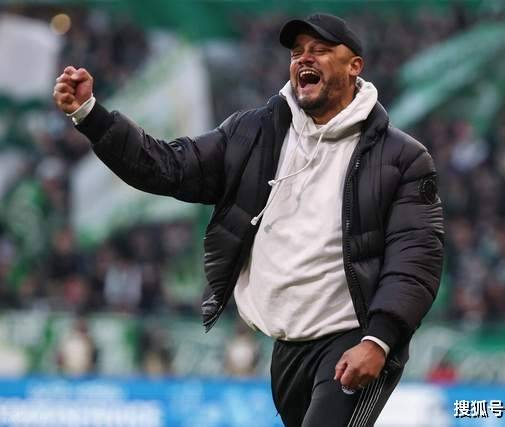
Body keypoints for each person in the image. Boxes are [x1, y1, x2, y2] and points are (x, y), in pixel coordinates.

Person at [53, 13, 444, 427]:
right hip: (285, 348)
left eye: (320, 50)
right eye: (297, 52)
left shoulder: (402, 158)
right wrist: (92, 117)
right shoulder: (253, 133)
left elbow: (416, 257)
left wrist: (379, 340)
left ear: (354, 66)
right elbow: (168, 167)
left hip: (353, 341)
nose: (304, 58)